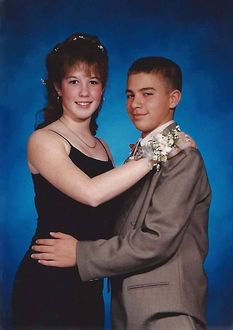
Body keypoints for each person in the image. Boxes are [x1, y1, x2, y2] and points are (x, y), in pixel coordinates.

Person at [32, 56, 211, 330]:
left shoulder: (181, 158)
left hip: (165, 311)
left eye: (147, 94)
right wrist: (160, 148)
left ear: (173, 98)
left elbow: (154, 241)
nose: (136, 104)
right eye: (130, 95)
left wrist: (81, 253)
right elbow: (104, 207)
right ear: (58, 87)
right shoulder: (140, 158)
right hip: (121, 304)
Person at [11, 33, 160, 329]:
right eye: (73, 81)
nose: (84, 92)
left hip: (87, 279)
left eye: (93, 82)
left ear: (103, 89)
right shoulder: (44, 140)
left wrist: (158, 148)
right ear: (57, 87)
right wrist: (161, 149)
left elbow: (116, 208)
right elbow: (91, 194)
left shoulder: (102, 145)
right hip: (47, 282)